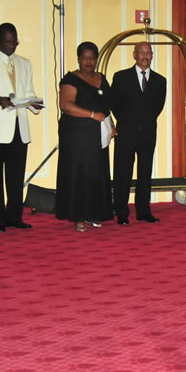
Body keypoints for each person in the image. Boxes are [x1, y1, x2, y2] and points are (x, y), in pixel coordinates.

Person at [0, 23, 43, 232]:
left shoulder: (24, 63)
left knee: (16, 176)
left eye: (14, 42)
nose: (12, 46)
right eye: (7, 42)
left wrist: (34, 103)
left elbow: (28, 91)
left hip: (19, 126)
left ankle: (14, 216)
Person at [56, 41, 114, 232]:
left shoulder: (101, 78)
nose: (89, 62)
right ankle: (78, 217)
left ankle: (94, 214)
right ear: (79, 59)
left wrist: (111, 124)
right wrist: (91, 115)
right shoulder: (70, 79)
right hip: (77, 136)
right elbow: (66, 105)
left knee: (96, 174)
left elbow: (106, 105)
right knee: (79, 176)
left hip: (98, 135)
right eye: (85, 58)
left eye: (92, 58)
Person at [111, 42, 166, 225]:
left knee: (145, 173)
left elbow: (158, 107)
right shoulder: (121, 77)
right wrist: (128, 122)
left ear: (152, 55)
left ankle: (144, 211)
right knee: (122, 173)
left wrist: (143, 123)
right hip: (125, 132)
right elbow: (115, 104)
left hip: (148, 133)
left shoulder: (160, 81)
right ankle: (121, 212)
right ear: (134, 55)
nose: (145, 56)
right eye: (141, 52)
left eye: (148, 52)